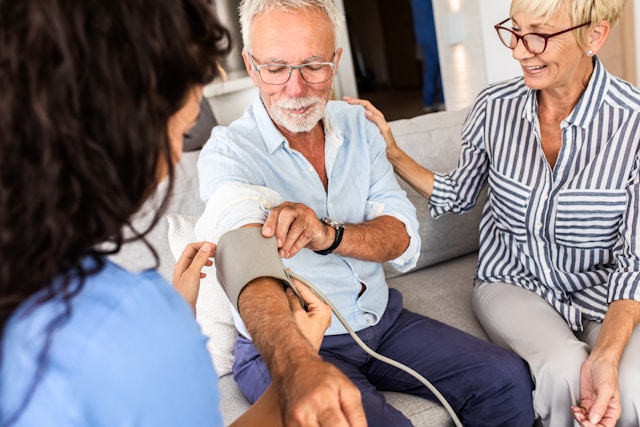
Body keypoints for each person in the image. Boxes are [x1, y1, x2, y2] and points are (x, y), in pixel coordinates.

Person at [194, 0, 535, 426]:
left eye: (313, 66)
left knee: (505, 379)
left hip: (380, 319)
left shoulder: (359, 126)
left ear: (336, 61)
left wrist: (328, 234)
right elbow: (245, 262)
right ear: (250, 64)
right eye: (276, 68)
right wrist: (297, 364)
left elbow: (401, 235)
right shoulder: (229, 151)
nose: (295, 89)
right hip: (289, 344)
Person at [0, 1, 334, 426]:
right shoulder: (134, 328)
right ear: (124, 132)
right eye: (182, 129)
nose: (177, 158)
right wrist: (292, 373)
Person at [346, 0, 640, 425]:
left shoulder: (633, 123)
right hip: (512, 280)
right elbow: (458, 194)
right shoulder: (494, 106)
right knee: (563, 370)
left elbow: (634, 265)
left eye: (538, 35)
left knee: (631, 386)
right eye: (515, 31)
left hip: (602, 288)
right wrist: (393, 151)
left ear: (593, 35)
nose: (519, 50)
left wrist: (607, 356)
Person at [409, 0, 444, 113]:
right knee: (440, 65)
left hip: (423, 34)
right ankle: (442, 99)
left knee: (430, 67)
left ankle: (429, 102)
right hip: (432, 32)